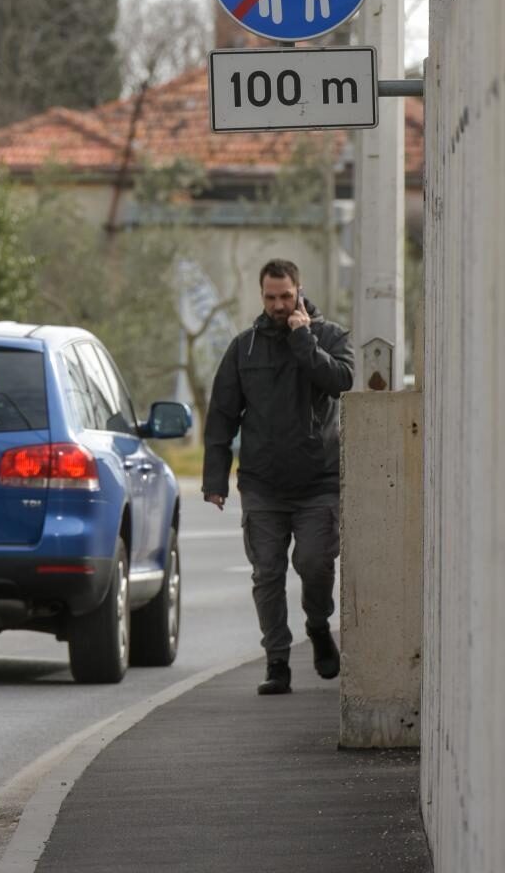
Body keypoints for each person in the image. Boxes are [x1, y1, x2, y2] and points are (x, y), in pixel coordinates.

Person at [202, 258, 354, 695]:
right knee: (267, 574)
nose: (278, 305)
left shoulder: (330, 336)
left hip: (318, 482)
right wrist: (215, 480)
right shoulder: (245, 348)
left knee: (315, 563)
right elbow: (222, 415)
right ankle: (277, 662)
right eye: (270, 297)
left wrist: (303, 339)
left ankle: (318, 625)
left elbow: (342, 381)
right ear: (262, 296)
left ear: (299, 292)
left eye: (285, 296)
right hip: (262, 484)